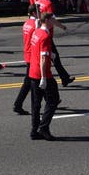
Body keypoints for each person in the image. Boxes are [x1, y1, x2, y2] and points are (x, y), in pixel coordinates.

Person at [29, 12, 60, 141]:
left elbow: (38, 50)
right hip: (43, 73)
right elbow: (42, 58)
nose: (53, 22)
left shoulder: (36, 32)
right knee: (53, 100)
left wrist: (51, 54)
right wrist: (43, 77)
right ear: (46, 20)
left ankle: (34, 130)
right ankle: (44, 127)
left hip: (32, 71)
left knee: (36, 104)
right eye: (52, 19)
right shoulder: (45, 35)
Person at [36, 0, 75, 86]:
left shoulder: (38, 2)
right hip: (46, 34)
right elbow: (51, 19)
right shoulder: (48, 3)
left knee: (54, 57)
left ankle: (64, 77)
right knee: (52, 57)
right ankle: (44, 79)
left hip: (39, 32)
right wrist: (62, 26)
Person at [13, 3, 38, 116]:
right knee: (31, 82)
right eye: (39, 11)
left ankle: (52, 100)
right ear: (34, 12)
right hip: (33, 55)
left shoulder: (26, 23)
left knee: (32, 82)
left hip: (27, 53)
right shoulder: (35, 24)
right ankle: (18, 104)